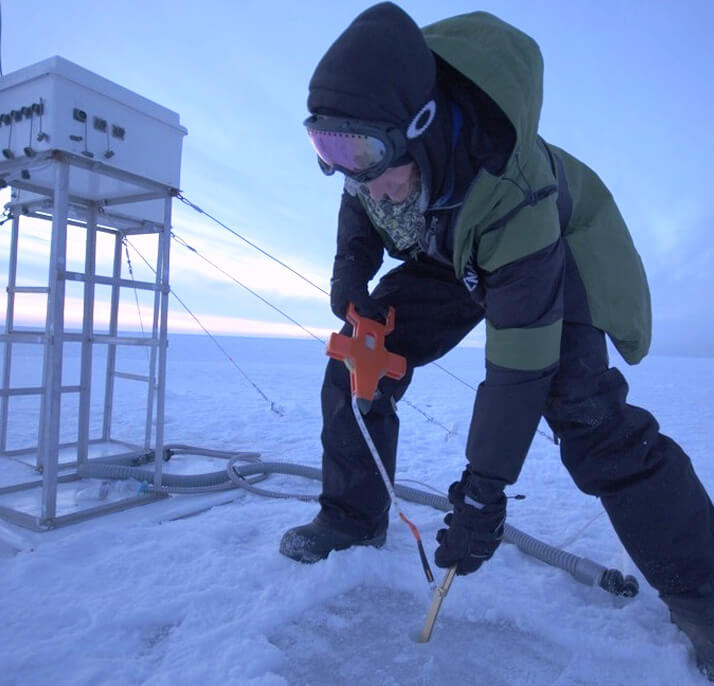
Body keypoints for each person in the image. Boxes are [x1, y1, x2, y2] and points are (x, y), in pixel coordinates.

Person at [279, 2, 714, 676]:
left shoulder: (513, 188)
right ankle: (351, 515)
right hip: (453, 255)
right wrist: (352, 276)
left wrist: (484, 489)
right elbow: (358, 205)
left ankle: (706, 597)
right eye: (328, 150)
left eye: (359, 152)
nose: (350, 171)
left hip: (553, 253)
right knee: (360, 357)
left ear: (420, 127)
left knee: (590, 422)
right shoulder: (376, 159)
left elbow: (520, 365)